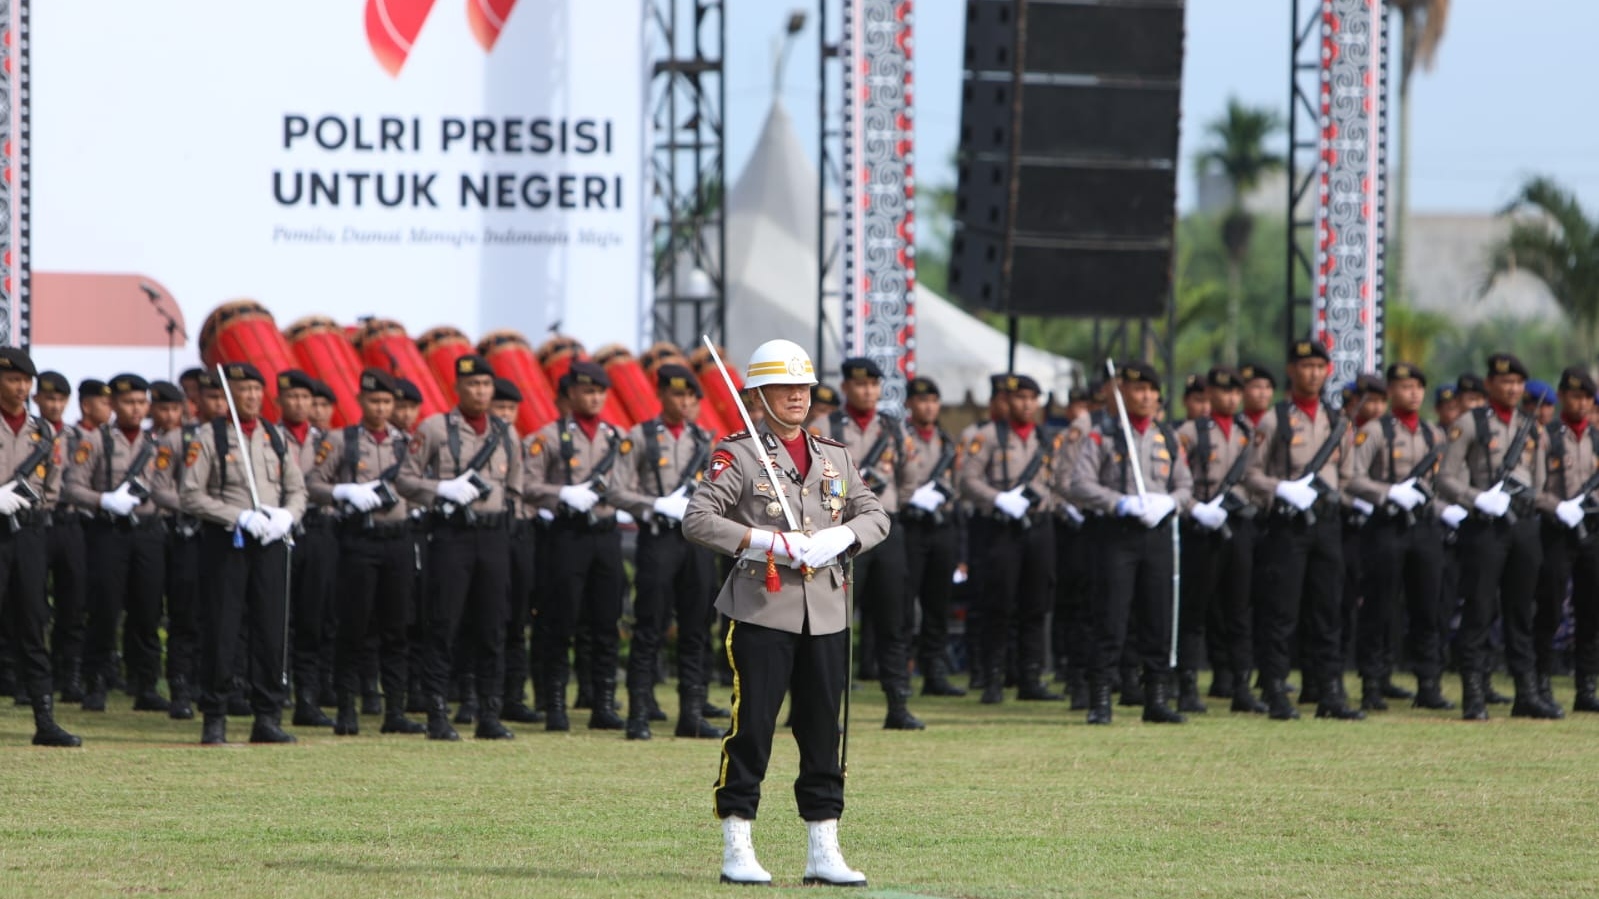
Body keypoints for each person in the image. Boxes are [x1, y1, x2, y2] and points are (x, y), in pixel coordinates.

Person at [683, 338, 888, 887]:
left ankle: (823, 847)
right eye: (784, 387)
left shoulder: (835, 455)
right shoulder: (740, 453)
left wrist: (844, 534)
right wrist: (763, 541)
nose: (797, 396)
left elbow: (875, 514)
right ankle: (737, 841)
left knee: (824, 732)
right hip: (763, 608)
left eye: (803, 386)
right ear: (758, 394)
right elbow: (698, 519)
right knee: (752, 729)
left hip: (827, 612)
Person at [180, 361, 307, 745]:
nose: (250, 397)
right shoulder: (210, 436)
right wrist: (238, 516)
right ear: (229, 395)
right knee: (222, 628)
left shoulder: (276, 436)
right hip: (227, 543)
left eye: (255, 390)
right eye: (242, 391)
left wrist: (287, 515)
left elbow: (297, 489)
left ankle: (267, 715)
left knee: (271, 629)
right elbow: (190, 494)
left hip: (269, 542)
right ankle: (215, 715)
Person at [396, 353, 522, 741]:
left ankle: (488, 712)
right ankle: (437, 711)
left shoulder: (505, 432)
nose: (480, 392)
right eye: (472, 385)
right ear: (457, 388)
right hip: (451, 536)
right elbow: (404, 479)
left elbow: (515, 487)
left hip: (493, 536)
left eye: (486, 385)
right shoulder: (434, 428)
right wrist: (440, 490)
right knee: (443, 624)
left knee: (491, 627)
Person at [1242, 340, 1365, 721]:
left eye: (1318, 365)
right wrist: (1281, 489)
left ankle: (1329, 691)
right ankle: (1276, 690)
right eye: (1305, 365)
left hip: (1326, 523)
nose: (1312, 372)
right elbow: (1250, 474)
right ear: (1292, 371)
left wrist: (1338, 498)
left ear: (1327, 371)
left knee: (1327, 609)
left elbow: (1347, 475)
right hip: (1288, 524)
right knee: (1281, 611)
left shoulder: (1336, 419)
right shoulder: (1274, 418)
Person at [1436, 353, 1559, 720]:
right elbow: (1445, 479)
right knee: (1479, 608)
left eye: (1519, 383)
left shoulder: (1532, 427)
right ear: (1490, 385)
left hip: (1522, 526)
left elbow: (1538, 484)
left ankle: (1526, 692)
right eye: (1505, 382)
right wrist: (1477, 498)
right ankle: (1473, 694)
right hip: (1485, 527)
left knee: (1521, 611)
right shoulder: (1470, 424)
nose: (1512, 388)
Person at [1071, 361, 1193, 724]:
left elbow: (1185, 484)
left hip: (1156, 532)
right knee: (1110, 615)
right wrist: (1117, 501)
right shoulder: (1104, 435)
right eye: (1137, 390)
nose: (1145, 396)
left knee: (1158, 616)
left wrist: (1171, 502)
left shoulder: (1168, 437)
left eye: (1151, 391)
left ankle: (1156, 696)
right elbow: (1080, 483)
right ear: (1122, 393)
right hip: (1117, 533)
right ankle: (1102, 699)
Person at [306, 368, 426, 736]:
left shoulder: (407, 444)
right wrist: (343, 493)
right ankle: (346, 707)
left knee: (396, 627)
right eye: (373, 400)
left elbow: (422, 482)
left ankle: (394, 709)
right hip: (358, 540)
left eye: (387, 401)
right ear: (360, 401)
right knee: (354, 626)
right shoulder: (342, 441)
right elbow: (313, 482)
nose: (380, 407)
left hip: (398, 540)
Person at [609, 363, 724, 739]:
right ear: (661, 395)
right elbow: (615, 490)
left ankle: (691, 712)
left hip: (696, 541)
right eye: (678, 394)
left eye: (692, 396)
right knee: (650, 625)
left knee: (697, 627)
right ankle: (639, 713)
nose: (686, 402)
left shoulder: (705, 441)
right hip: (658, 539)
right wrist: (654, 505)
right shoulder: (640, 437)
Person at [814, 357, 925, 729]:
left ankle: (897, 705)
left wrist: (883, 507)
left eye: (874, 385)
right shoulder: (824, 426)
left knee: (894, 620)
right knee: (834, 622)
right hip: (840, 533)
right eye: (860, 385)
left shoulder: (894, 429)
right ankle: (824, 707)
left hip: (884, 532)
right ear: (845, 387)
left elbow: (909, 479)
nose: (868, 391)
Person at [522, 361, 628, 732]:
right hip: (566, 535)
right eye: (587, 391)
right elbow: (527, 485)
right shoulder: (548, 437)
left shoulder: (617, 437)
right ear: (570, 395)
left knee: (605, 621)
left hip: (605, 534)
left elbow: (626, 486)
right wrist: (562, 493)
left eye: (600, 391)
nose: (595, 397)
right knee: (558, 621)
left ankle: (602, 703)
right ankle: (554, 704)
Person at [1342, 362, 1454, 712]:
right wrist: (1388, 492)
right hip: (1387, 526)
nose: (1414, 393)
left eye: (1419, 387)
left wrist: (1446, 507)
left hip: (1423, 526)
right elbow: (1351, 477)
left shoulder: (1434, 434)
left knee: (1428, 606)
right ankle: (1373, 684)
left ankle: (1428, 683)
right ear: (1391, 391)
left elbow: (1443, 481)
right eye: (1405, 387)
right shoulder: (1375, 431)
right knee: (1379, 605)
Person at [64, 374, 169, 713]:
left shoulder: (157, 443)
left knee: (148, 610)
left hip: (149, 532)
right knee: (105, 609)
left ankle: (146, 684)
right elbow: (72, 486)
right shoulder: (95, 440)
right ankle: (96, 682)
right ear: (113, 405)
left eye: (141, 402)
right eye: (128, 402)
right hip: (109, 532)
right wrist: (103, 500)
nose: (136, 409)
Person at [958, 374, 1065, 704]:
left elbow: (1060, 479)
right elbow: (968, 480)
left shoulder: (1048, 438)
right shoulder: (988, 436)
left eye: (1033, 398)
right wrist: (998, 499)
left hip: (1038, 525)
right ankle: (993, 678)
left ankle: (1030, 677)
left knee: (1036, 603)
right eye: (1020, 398)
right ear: (1006, 401)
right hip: (1001, 527)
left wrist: (1043, 497)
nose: (1026, 404)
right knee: (999, 603)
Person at [1175, 366, 1267, 714]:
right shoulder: (1190, 431)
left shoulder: (1249, 432)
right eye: (1222, 392)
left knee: (1239, 609)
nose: (1229, 398)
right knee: (1195, 609)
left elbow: (1257, 477)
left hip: (1238, 525)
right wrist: (1197, 508)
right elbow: (1178, 478)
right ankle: (1187, 686)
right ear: (1209, 394)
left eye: (1234, 392)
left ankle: (1241, 686)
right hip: (1201, 526)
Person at [0, 349, 79, 745]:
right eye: (14, 380)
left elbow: (51, 489)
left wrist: (28, 503)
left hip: (28, 534)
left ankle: (44, 719)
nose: (22, 388)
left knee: (33, 622)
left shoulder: (43, 432)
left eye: (26, 381)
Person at [1532, 367, 1599, 713]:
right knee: (1551, 606)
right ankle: (1540, 681)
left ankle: (1585, 686)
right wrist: (1559, 506)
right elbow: (1534, 489)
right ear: (1561, 397)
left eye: (1587, 396)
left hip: (1591, 532)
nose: (1582, 402)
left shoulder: (1596, 438)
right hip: (1556, 531)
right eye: (1575, 395)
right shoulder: (1547, 437)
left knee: (1591, 610)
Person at [897, 376, 966, 697]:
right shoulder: (900, 437)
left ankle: (934, 671)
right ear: (909, 404)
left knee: (938, 603)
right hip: (910, 526)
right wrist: (911, 497)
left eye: (933, 401)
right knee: (904, 603)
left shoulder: (946, 441)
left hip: (941, 527)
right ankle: (901, 669)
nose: (928, 406)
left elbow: (959, 485)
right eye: (922, 400)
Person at [276, 369, 336, 728]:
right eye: (292, 397)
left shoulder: (329, 441)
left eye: (306, 398)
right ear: (280, 401)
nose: (300, 404)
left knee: (315, 616)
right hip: (280, 530)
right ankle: (271, 690)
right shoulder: (270, 437)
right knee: (277, 615)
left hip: (318, 530)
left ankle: (308, 698)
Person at [32, 372, 88, 704]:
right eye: (49, 398)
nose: (54, 405)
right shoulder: (30, 432)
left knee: (73, 601)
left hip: (69, 522)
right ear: (38, 399)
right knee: (31, 603)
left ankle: (71, 676)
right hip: (36, 522)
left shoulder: (75, 436)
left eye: (60, 400)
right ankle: (27, 680)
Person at [148, 379, 201, 720]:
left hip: (216, 537)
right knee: (181, 613)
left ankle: (208, 683)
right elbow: (160, 488)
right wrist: (195, 505)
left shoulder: (225, 437)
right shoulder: (174, 440)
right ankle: (180, 687)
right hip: (176, 532)